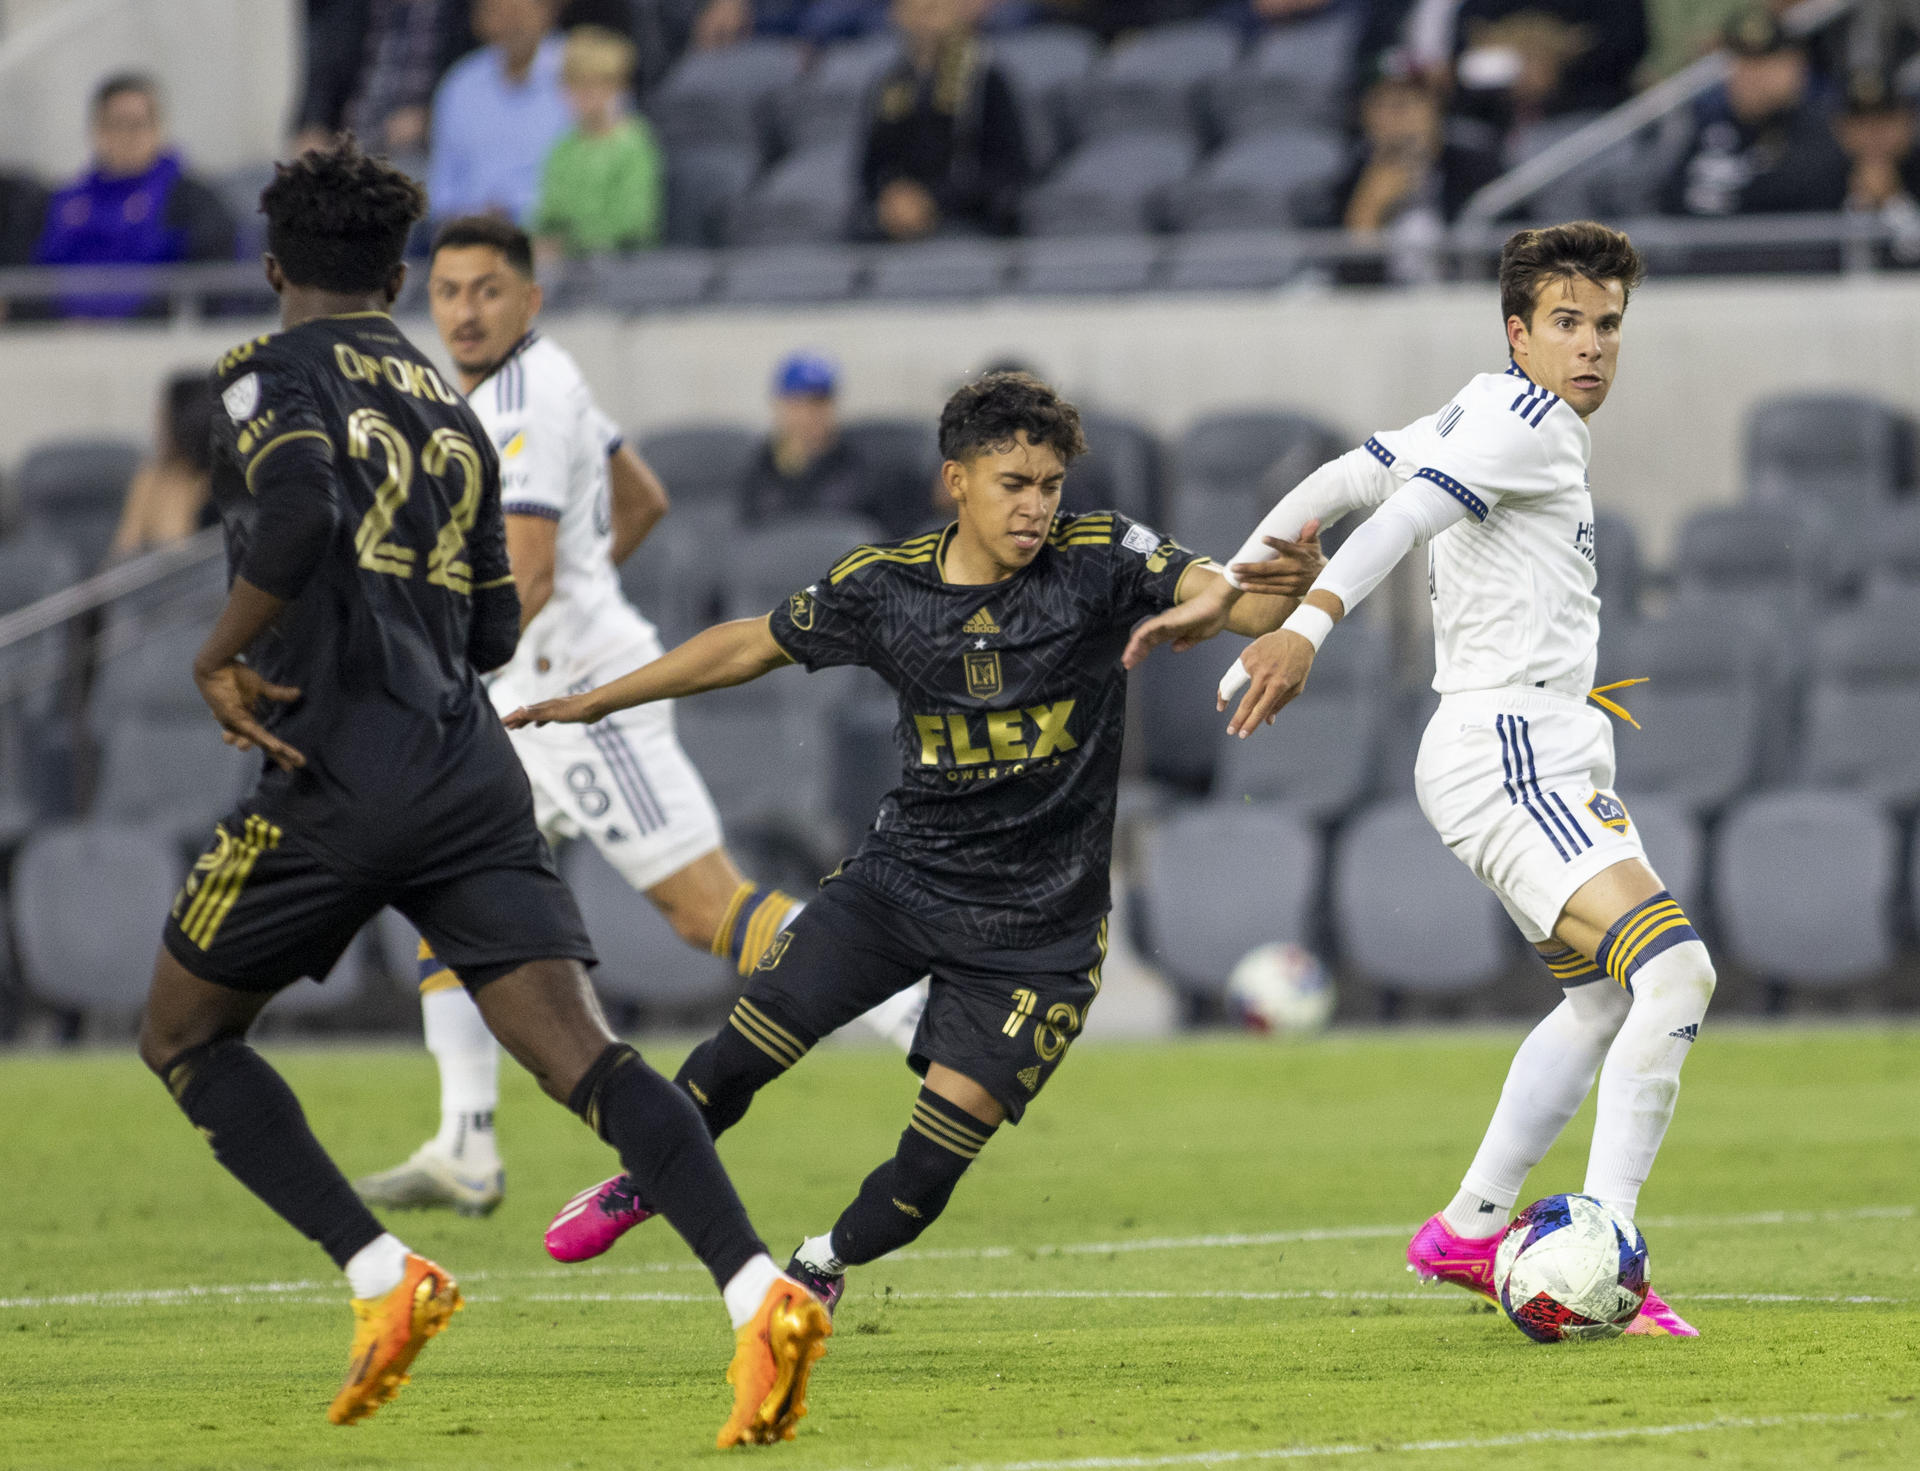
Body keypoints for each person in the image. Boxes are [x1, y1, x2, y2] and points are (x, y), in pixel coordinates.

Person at [132, 140, 830, 1444]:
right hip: (466, 768)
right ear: (400, 276)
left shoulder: (266, 375)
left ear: (275, 267)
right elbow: (498, 628)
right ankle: (756, 1287)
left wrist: (220, 651)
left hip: (330, 770)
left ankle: (384, 1271)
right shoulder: (456, 411)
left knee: (182, 1031)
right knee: (591, 1057)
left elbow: (289, 519)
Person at [503, 371, 1327, 1297]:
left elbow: (1222, 594)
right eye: (1013, 484)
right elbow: (748, 644)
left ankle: (819, 1265)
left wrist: (1281, 594)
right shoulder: (885, 587)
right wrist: (604, 697)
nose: (1036, 507)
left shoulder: (1099, 557)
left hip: (1038, 934)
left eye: (1050, 485)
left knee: (927, 1175)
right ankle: (643, 1178)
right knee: (738, 1057)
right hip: (899, 890)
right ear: (957, 481)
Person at [1127, 221, 1711, 1339]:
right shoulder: (1527, 425)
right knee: (1676, 975)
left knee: (1601, 998)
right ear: (1518, 333)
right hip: (1510, 749)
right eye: (1567, 324)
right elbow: (1398, 512)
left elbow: (1352, 471)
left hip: (1543, 745)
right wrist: (1298, 624)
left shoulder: (1486, 407)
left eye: (1608, 326)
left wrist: (1239, 574)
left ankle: (1469, 1229)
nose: (1591, 346)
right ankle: (1605, 1246)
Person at [352, 214, 801, 1228]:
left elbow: (534, 572)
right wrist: (579, 592)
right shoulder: (533, 381)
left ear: (529, 298)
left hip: (586, 700)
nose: (465, 310)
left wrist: (436, 662)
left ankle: (907, 995)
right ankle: (465, 1140)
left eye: (486, 291)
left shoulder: (519, 398)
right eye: (450, 291)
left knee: (704, 911)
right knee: (447, 892)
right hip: (532, 695)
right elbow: (640, 498)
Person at [31, 74, 236, 319]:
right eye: (117, 124)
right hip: (59, 341)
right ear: (97, 130)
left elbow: (211, 285)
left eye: (138, 124)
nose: (128, 136)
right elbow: (36, 279)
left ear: (158, 128)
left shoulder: (191, 201)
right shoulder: (64, 202)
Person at [858, 0, 1030, 242]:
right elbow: (870, 169)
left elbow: (1010, 167)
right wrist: (892, 199)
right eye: (914, 9)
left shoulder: (986, 79)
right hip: (897, 219)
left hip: (969, 218)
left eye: (933, 9)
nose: (923, 22)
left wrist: (932, 201)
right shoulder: (889, 83)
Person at [1660, 8, 1848, 219]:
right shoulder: (1709, 125)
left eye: (1763, 63)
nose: (1751, 76)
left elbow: (1793, 195)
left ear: (1796, 67)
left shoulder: (1823, 128)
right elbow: (1668, 196)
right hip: (1700, 248)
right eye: (1743, 62)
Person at [1338, 69, 1503, 284]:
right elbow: (1344, 284)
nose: (1389, 120)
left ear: (1433, 109)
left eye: (1401, 105)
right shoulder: (1348, 179)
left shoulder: (1478, 170)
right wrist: (1368, 211)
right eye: (1378, 106)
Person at [428, 0, 572, 223]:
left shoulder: (584, 72)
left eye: (519, 11)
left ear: (548, 10)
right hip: (469, 236)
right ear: (480, 19)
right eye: (497, 12)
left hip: (561, 242)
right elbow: (443, 188)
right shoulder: (461, 83)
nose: (511, 24)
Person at [530, 25, 665, 262]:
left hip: (622, 267)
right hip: (565, 268)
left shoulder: (635, 144)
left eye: (598, 85)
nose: (587, 95)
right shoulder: (564, 147)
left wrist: (571, 240)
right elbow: (548, 213)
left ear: (621, 87)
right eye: (576, 85)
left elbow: (635, 222)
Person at [292, 0, 474, 165]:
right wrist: (313, 126)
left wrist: (433, 118)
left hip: (422, 150)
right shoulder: (347, 8)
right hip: (349, 145)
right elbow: (323, 76)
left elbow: (481, 87)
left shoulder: (467, 10)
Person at [739, 352, 883, 525]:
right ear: (779, 406)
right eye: (798, 404)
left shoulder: (858, 466)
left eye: (818, 404)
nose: (809, 415)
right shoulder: (760, 468)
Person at [108, 373, 218, 561]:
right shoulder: (154, 479)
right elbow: (122, 558)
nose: (157, 425)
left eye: (163, 416)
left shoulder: (237, 483)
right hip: (158, 585)